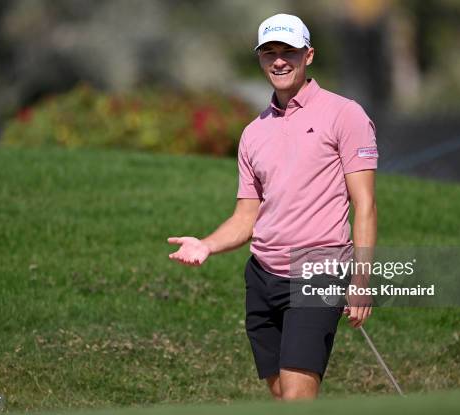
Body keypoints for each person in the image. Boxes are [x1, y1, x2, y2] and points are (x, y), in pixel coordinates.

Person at [168, 13, 378, 401]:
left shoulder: (345, 114)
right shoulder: (253, 133)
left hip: (318, 271)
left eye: (289, 52)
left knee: (298, 397)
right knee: (283, 396)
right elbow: (246, 216)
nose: (279, 61)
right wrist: (207, 245)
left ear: (309, 55)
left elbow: (364, 203)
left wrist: (361, 280)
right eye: (269, 53)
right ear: (260, 59)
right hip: (262, 278)